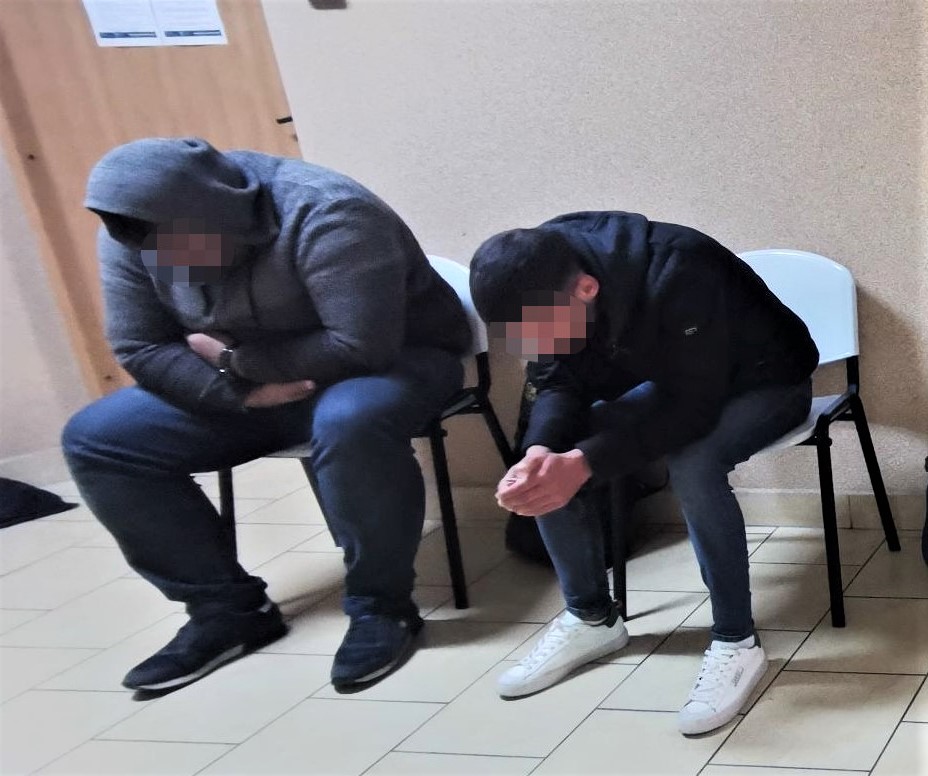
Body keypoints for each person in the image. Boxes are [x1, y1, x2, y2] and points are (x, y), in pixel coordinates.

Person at [62, 137, 471, 694]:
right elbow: (140, 346)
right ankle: (227, 612)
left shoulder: (330, 211)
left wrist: (234, 361)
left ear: (220, 215)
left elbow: (360, 346)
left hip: (397, 360)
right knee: (98, 439)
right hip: (252, 387)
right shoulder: (132, 234)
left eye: (187, 247)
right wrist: (240, 394)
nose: (175, 266)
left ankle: (382, 607)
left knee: (349, 421)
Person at [469, 211, 817, 735]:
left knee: (694, 462)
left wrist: (584, 465)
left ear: (586, 289)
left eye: (542, 331)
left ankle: (736, 641)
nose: (535, 343)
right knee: (546, 459)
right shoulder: (542, 270)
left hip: (769, 380)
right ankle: (591, 619)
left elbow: (692, 410)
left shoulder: (680, 268)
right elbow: (556, 379)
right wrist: (540, 450)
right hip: (681, 381)